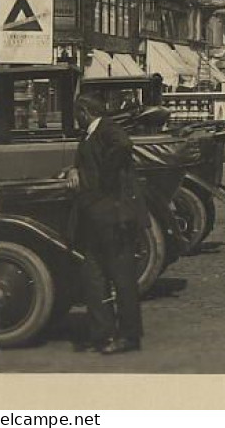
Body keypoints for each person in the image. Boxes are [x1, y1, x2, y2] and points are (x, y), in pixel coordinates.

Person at [66, 95, 148, 354]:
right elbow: (86, 162)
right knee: (93, 274)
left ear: (84, 111)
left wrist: (104, 181)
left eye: (77, 113)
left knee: (122, 278)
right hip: (97, 216)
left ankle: (128, 337)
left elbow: (124, 146)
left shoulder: (107, 129)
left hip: (114, 216)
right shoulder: (90, 134)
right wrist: (74, 170)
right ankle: (102, 333)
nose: (75, 118)